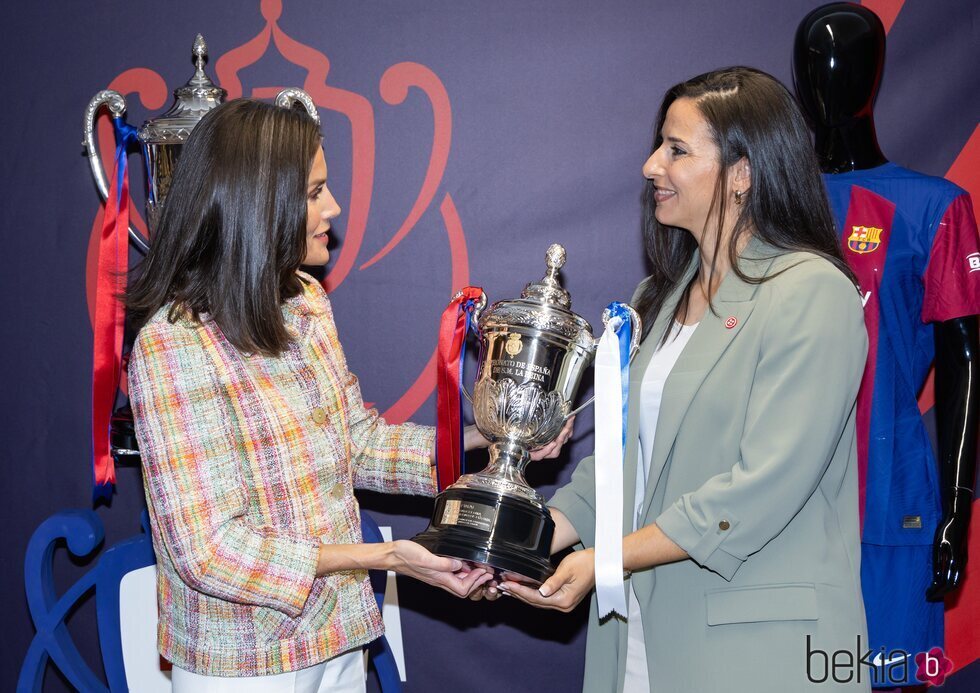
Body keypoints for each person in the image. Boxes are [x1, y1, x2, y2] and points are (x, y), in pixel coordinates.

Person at [125, 99, 566, 692]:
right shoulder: (171, 347)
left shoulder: (305, 301)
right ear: (260, 205)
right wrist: (385, 558)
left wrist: (491, 437)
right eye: (313, 192)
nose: (333, 207)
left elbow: (354, 443)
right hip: (243, 664)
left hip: (336, 640)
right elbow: (208, 552)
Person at [499, 67, 871, 692]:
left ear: (743, 174)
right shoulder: (657, 297)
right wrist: (519, 542)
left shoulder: (813, 293)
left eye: (676, 150)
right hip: (637, 640)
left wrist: (607, 559)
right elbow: (620, 463)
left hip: (762, 650)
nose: (650, 166)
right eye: (658, 145)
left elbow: (761, 489)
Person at [794, 4, 980, 685]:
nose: (829, 80)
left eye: (845, 62)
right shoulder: (767, 208)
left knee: (891, 676)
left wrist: (958, 505)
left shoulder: (935, 206)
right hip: (780, 501)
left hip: (891, 493)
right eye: (812, 65)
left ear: (878, 75)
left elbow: (965, 359)